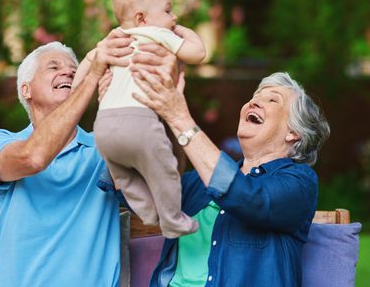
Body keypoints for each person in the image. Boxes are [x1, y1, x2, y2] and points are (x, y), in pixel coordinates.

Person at [0, 31, 177, 287]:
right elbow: (32, 158)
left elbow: (158, 198)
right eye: (53, 67)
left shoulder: (103, 148)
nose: (68, 73)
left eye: (74, 70)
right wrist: (90, 77)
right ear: (26, 90)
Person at [129, 70, 330, 286]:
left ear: (293, 133)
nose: (254, 103)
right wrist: (141, 112)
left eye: (272, 99)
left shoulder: (299, 182)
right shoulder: (197, 182)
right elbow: (132, 188)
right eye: (255, 96)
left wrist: (180, 118)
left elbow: (251, 199)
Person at [73, 0, 206, 238]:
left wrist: (83, 84)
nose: (174, 16)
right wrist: (181, 32)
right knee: (163, 168)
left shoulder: (113, 41)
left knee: (124, 175)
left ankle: (147, 212)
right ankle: (172, 219)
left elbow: (86, 68)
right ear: (142, 18)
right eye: (168, 11)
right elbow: (198, 53)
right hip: (140, 123)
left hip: (104, 127)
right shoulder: (158, 34)